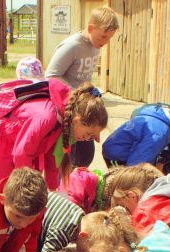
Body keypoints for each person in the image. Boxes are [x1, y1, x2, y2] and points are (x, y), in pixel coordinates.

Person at [0, 81, 108, 191]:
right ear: (77, 120)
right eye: (89, 135)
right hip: (2, 150)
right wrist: (27, 186)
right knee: (10, 194)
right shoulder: (48, 116)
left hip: (20, 155)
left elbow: (51, 157)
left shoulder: (64, 120)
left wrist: (52, 190)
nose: (87, 139)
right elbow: (21, 153)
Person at [44, 6, 120, 167]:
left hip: (84, 106)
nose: (104, 42)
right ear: (91, 28)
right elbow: (51, 75)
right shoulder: (72, 46)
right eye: (103, 37)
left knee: (85, 156)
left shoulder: (95, 45)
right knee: (68, 159)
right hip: (70, 109)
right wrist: (76, 92)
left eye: (109, 39)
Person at [102, 103, 170, 167]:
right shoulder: (159, 133)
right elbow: (136, 163)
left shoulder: (161, 115)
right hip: (116, 155)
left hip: (119, 149)